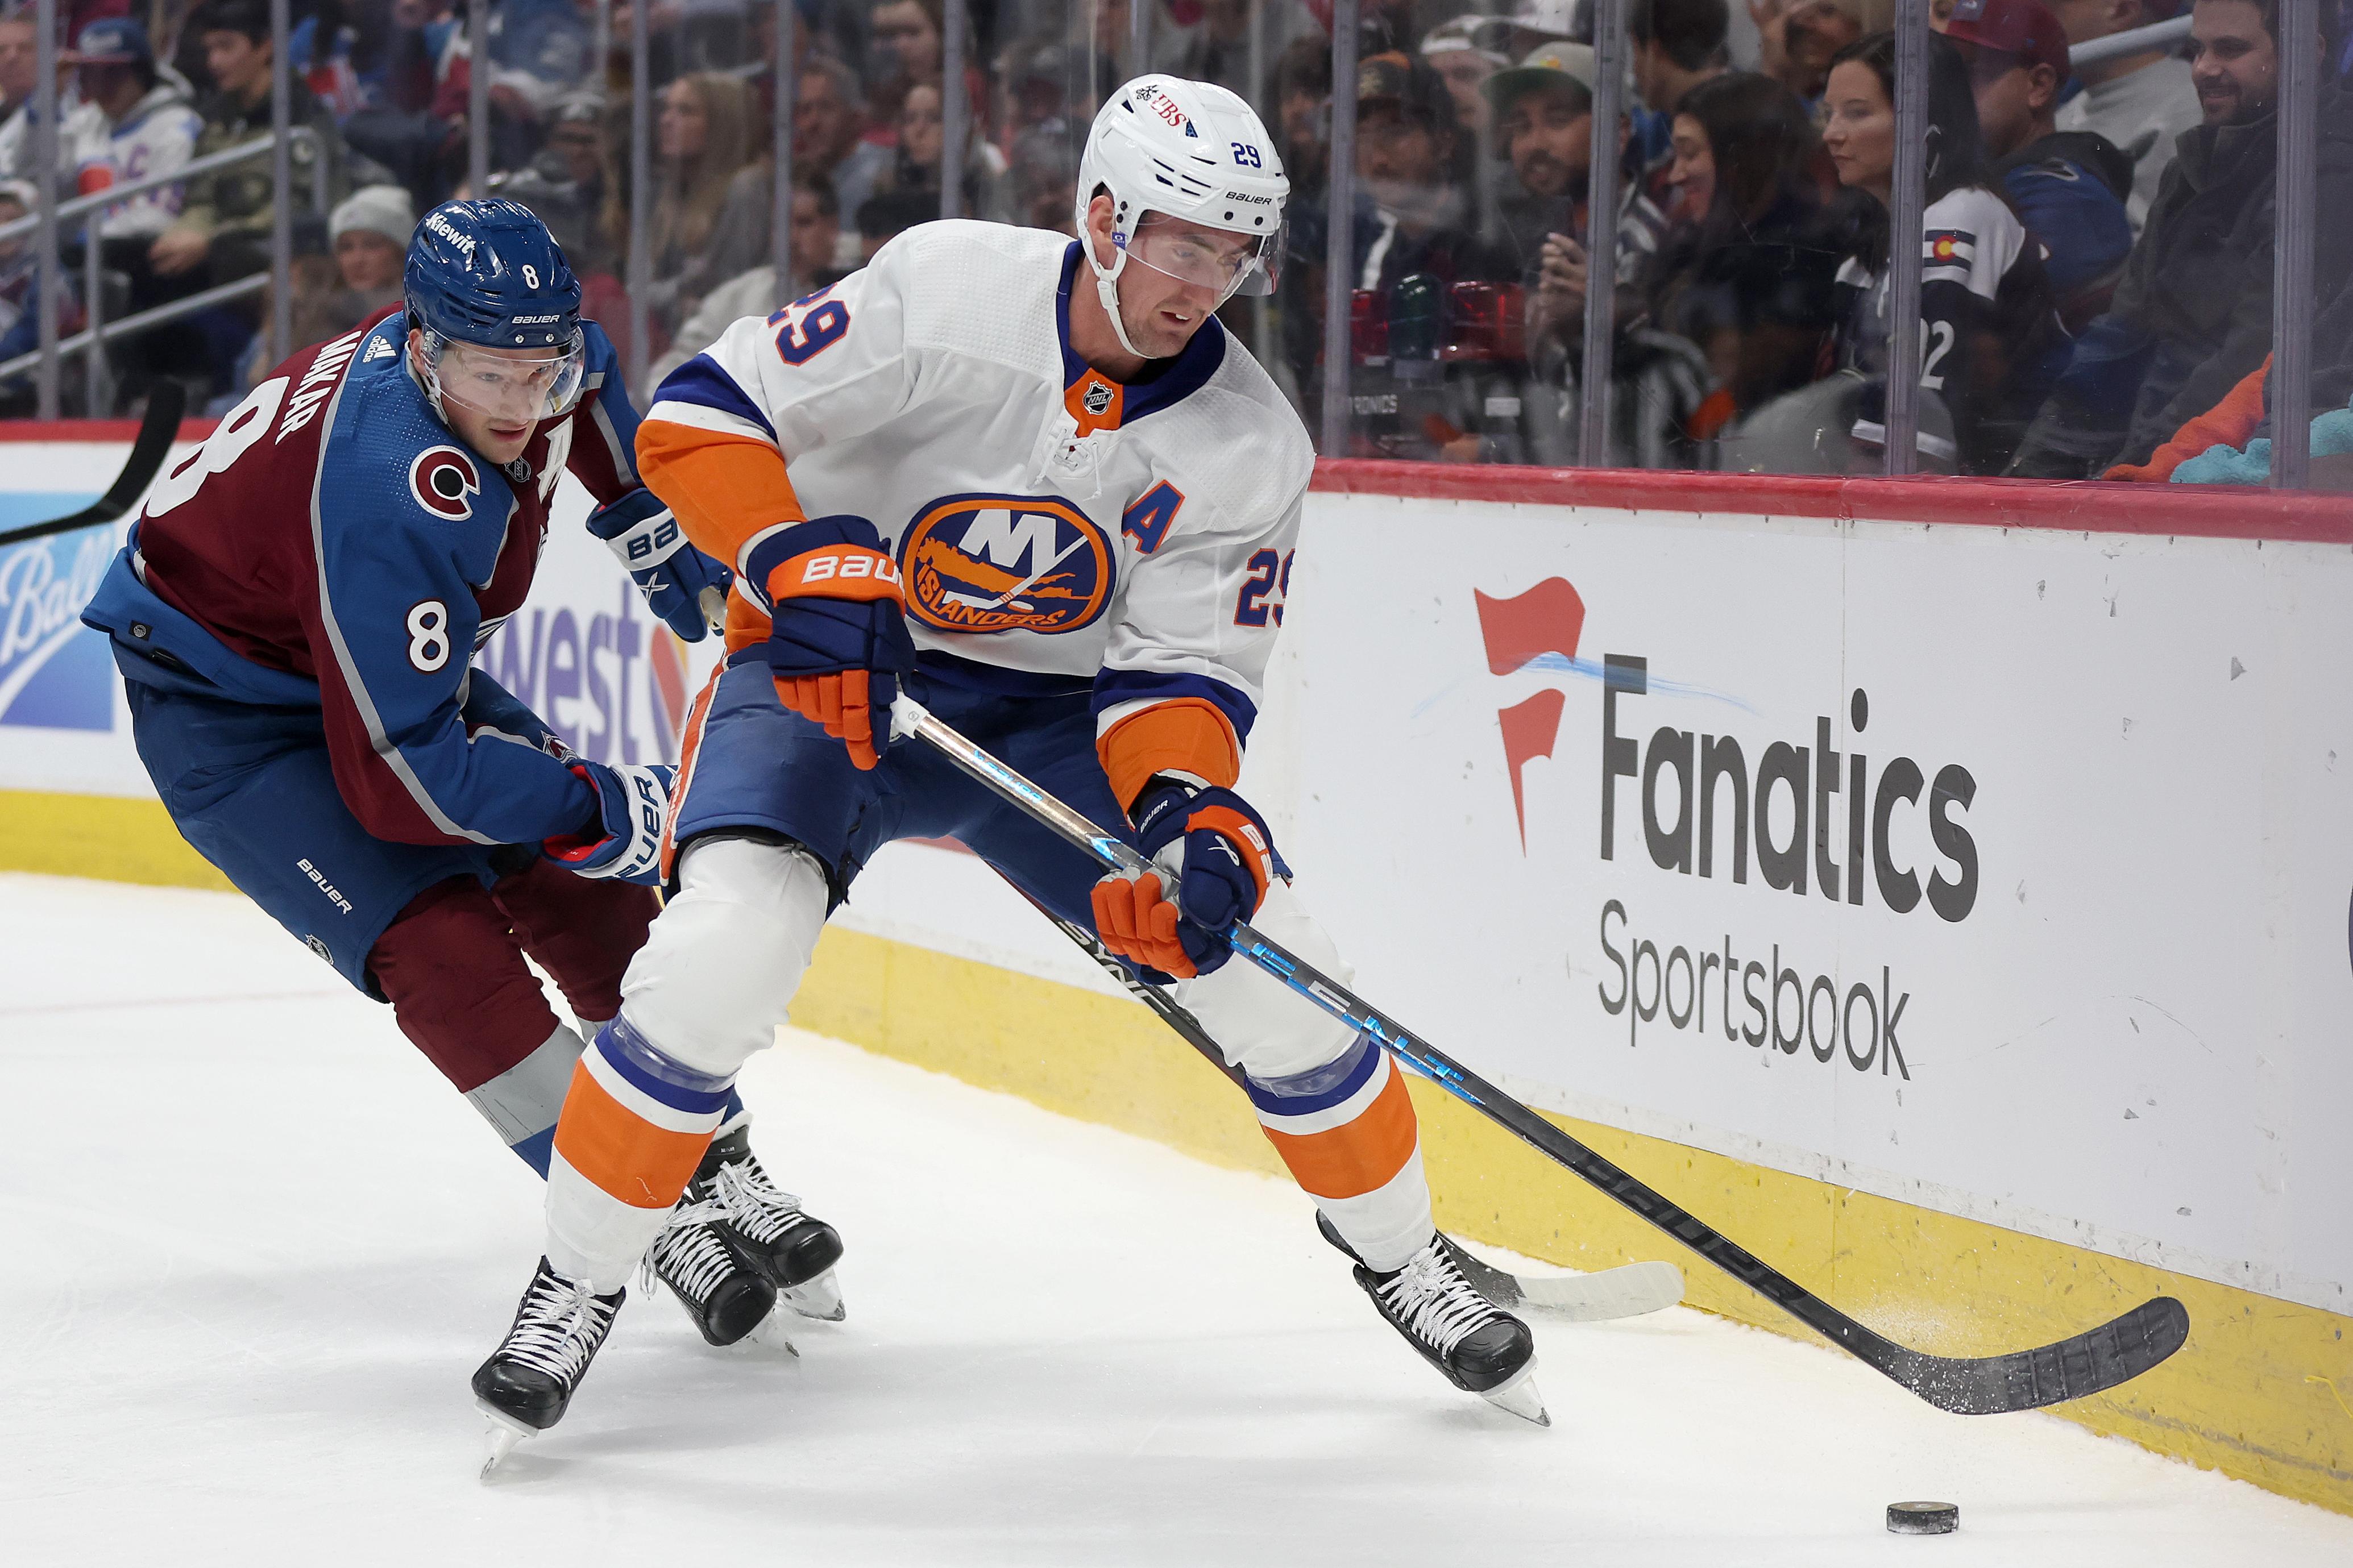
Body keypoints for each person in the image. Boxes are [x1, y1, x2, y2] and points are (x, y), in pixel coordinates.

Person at [470, 74, 1543, 1458]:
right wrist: (798, 560)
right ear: (1101, 215)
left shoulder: (1251, 440)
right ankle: (577, 1283)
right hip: (831, 675)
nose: (1204, 282)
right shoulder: (943, 291)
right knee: (720, 952)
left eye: (1234, 254)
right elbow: (697, 413)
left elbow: (1184, 674)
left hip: (1058, 720)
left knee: (1277, 967)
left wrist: (1192, 817)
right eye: (1180, 242)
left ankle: (1407, 1258)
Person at [76, 198, 843, 1361]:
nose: (521, 405)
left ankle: (714, 1157)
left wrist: (633, 507)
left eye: (540, 369)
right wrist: (603, 800)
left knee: (590, 897)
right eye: (493, 377)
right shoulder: (387, 481)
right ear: (421, 344)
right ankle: (642, 1203)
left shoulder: (511, 350)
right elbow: (402, 783)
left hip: (346, 656)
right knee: (444, 949)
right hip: (228, 717)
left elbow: (582, 393)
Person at [2007, 0, 2285, 476]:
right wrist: (2036, 468)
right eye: (2197, 50)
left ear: (2307, 54)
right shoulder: (2188, 172)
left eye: (2231, 49)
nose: (2203, 69)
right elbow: (2120, 335)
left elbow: (2248, 360)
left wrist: (2139, 466)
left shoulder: (2321, 177)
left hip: (2220, 472)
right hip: (2150, 457)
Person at [1820, 30, 2064, 473]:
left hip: (1995, 497)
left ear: (1923, 122)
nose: (1831, 134)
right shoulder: (1867, 250)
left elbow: (1925, 440)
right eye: (1828, 114)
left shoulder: (1963, 214)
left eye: (1856, 114)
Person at [1944, 0, 2134, 330]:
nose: (1947, 94)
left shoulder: (2067, 199)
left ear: (2038, 86)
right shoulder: (1966, 173)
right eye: (1946, 75)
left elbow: (1975, 327)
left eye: (1972, 75)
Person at [149, 1, 349, 300]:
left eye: (226, 48)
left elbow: (301, 208)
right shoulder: (217, 116)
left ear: (265, 47)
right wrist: (187, 231)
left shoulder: (302, 119)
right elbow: (201, 195)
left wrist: (212, 241)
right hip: (214, 252)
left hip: (267, 254)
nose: (214, 61)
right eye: (210, 50)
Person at [2049, 0, 2200, 230]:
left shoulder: (2188, 109)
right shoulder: (2063, 114)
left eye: (2052, 5)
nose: (2035, 16)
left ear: (2122, 11)